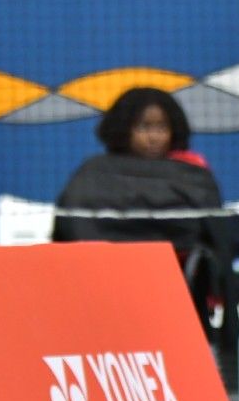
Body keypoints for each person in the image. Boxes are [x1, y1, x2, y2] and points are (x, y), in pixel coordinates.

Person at [54, 86, 229, 335]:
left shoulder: (192, 173)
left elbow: (210, 233)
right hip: (105, 284)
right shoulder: (94, 172)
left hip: (176, 286)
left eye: (162, 128)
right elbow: (72, 227)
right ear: (124, 128)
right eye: (144, 127)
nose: (153, 137)